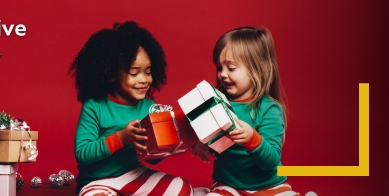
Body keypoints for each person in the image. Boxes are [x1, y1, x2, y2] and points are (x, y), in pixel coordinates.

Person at [69, 21, 197, 196]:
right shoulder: (95, 106)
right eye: (134, 73)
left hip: (133, 175)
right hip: (97, 181)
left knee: (181, 187)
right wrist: (121, 138)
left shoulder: (150, 108)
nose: (143, 79)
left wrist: (166, 144)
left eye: (148, 72)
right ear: (111, 75)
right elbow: (82, 153)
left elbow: (154, 160)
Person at [193, 26, 300, 196]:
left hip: (269, 185)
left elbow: (271, 161)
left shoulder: (269, 109)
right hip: (228, 185)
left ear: (257, 68)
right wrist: (203, 145)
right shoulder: (216, 102)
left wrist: (253, 139)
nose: (223, 74)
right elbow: (218, 143)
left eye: (231, 68)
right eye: (220, 68)